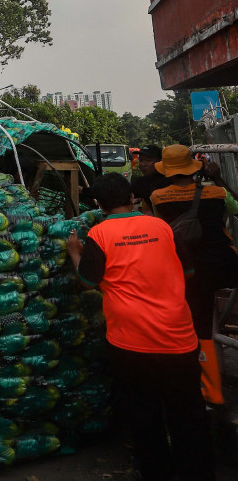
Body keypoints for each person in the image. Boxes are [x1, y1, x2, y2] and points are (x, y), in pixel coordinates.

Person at [67, 174, 214, 481]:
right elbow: (187, 271)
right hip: (178, 335)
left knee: (144, 414)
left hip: (130, 342)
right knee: (188, 413)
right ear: (132, 197)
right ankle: (196, 473)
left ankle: (156, 471)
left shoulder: (99, 233)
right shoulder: (161, 226)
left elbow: (87, 282)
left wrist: (75, 253)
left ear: (98, 204)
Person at [150, 145, 238, 407]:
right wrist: (219, 179)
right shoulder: (217, 192)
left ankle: (212, 391)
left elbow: (164, 232)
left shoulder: (158, 197)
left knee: (201, 329)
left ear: (166, 170)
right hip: (225, 265)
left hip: (189, 270)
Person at [129, 145, 170, 214]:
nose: (143, 164)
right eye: (141, 160)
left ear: (160, 161)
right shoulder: (141, 183)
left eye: (148, 160)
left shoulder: (170, 180)